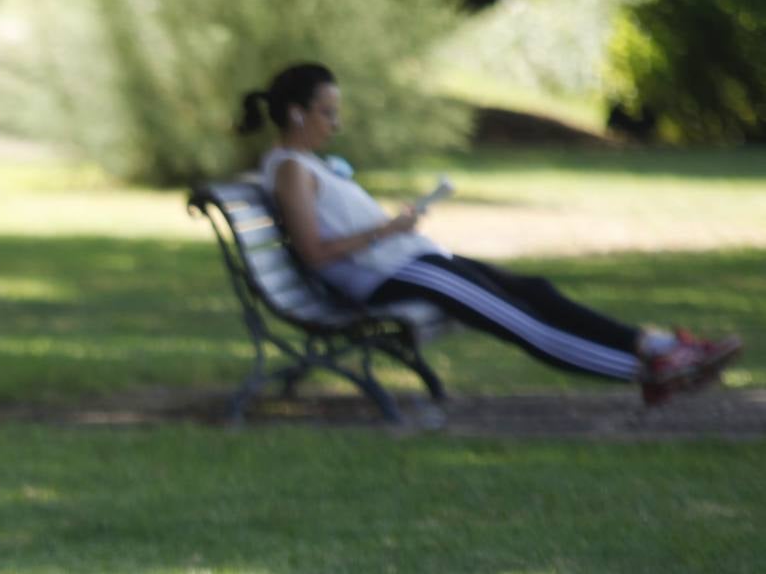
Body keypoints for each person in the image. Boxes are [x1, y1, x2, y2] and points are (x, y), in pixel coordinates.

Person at [237, 62, 742, 405]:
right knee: (522, 323)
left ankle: (656, 346)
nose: (336, 123)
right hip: (394, 273)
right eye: (328, 112)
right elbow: (314, 252)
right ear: (298, 112)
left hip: (410, 260)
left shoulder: (305, 164)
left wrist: (393, 226)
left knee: (535, 290)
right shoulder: (289, 169)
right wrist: (387, 227)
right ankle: (656, 373)